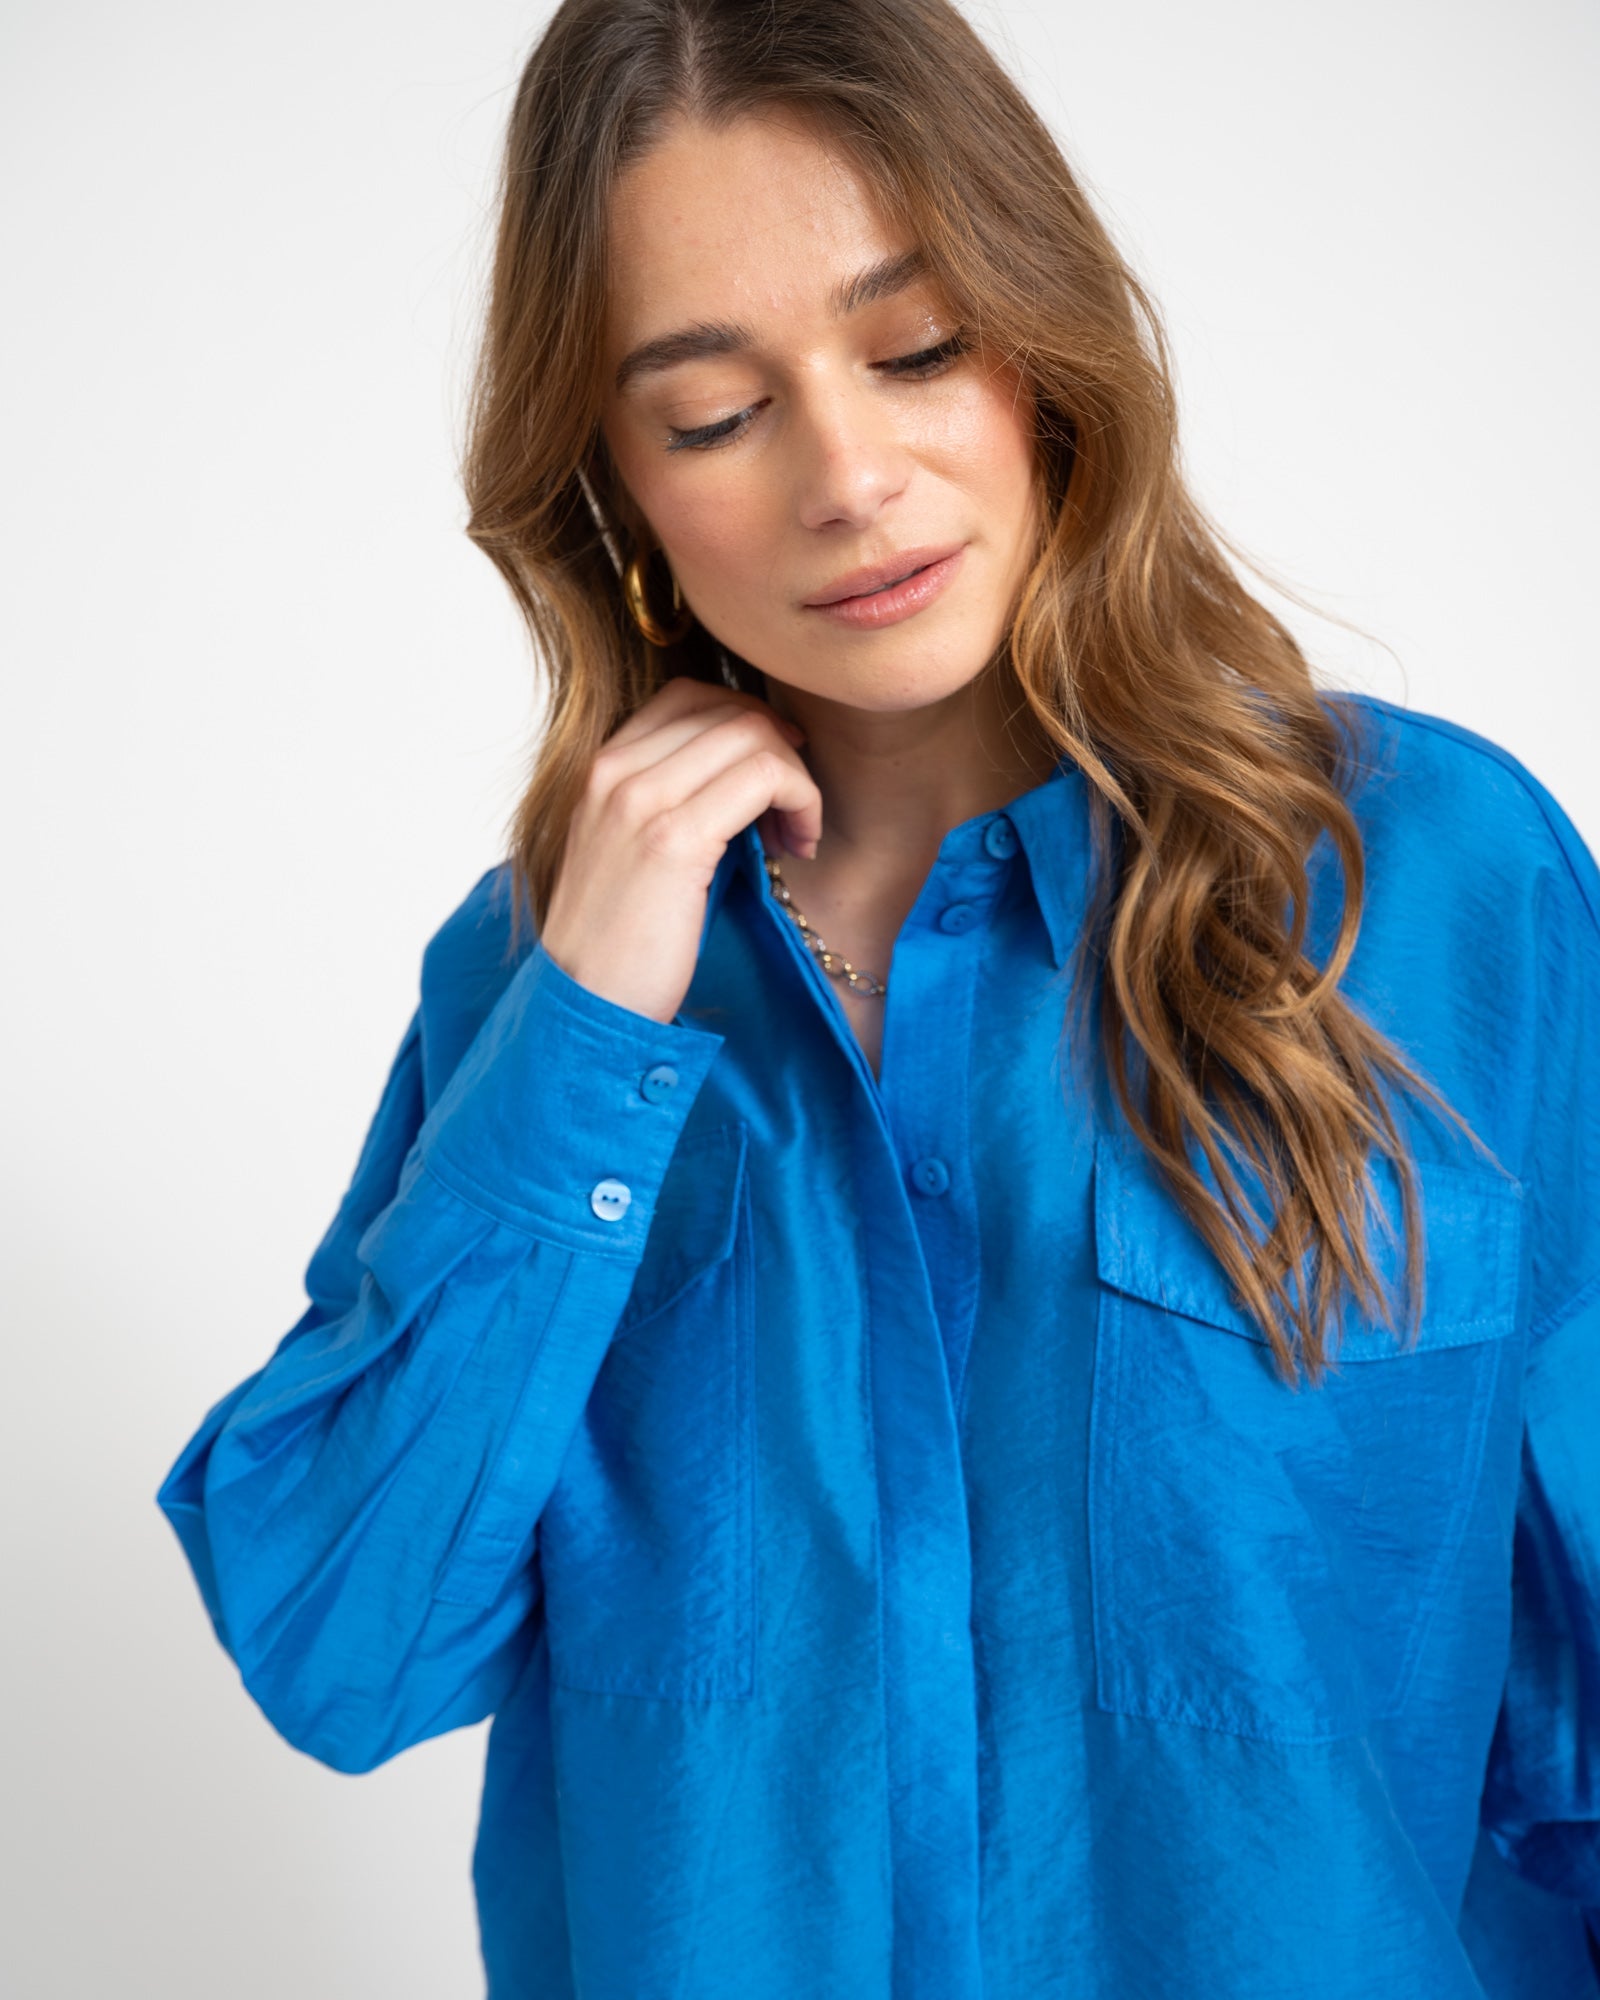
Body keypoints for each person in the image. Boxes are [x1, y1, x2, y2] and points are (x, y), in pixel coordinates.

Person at [156, 1, 1600, 1993]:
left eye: (914, 348)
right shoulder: (541, 986)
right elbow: (346, 1645)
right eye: (710, 413)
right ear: (612, 486)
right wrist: (587, 1032)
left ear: (1044, 348)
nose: (846, 474)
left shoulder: (1437, 889)